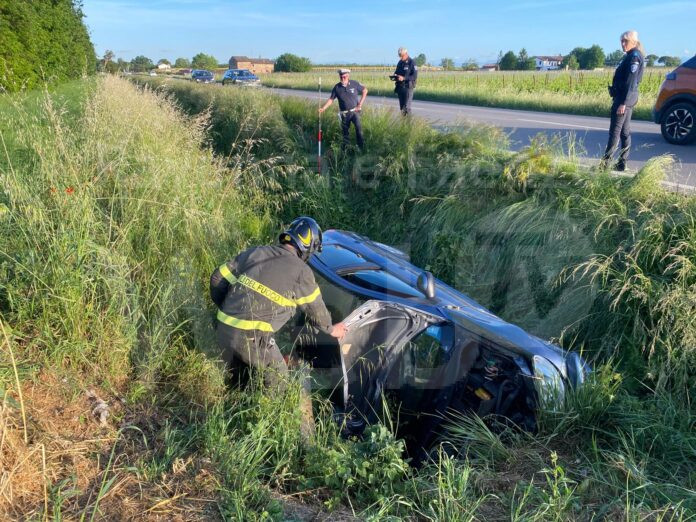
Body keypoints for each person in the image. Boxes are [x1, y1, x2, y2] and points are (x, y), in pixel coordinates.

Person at [210, 216, 347, 392]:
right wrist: (332, 329)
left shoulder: (257, 252)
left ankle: (234, 394)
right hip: (253, 338)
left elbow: (217, 278)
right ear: (309, 248)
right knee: (279, 378)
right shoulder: (302, 271)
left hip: (222, 329)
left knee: (239, 378)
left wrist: (227, 310)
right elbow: (316, 311)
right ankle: (264, 408)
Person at [601, 30, 645, 172]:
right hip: (627, 98)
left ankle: (604, 166)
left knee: (614, 132)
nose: (623, 44)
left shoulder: (634, 57)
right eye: (622, 41)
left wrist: (623, 103)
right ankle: (621, 164)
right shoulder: (631, 55)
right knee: (624, 133)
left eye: (626, 41)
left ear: (634, 42)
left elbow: (631, 82)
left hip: (624, 99)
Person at [319, 69, 368, 151]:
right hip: (344, 114)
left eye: (344, 77)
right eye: (341, 77)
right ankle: (346, 150)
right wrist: (323, 108)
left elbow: (365, 90)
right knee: (345, 132)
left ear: (348, 76)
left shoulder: (354, 83)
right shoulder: (337, 87)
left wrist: (360, 104)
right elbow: (331, 99)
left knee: (359, 130)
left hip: (355, 111)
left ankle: (361, 148)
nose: (342, 78)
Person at [393, 47, 418, 115]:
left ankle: (408, 121)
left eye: (402, 56)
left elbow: (414, 76)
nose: (401, 57)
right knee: (402, 108)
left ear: (406, 54)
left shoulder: (412, 62)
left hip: (408, 87)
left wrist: (404, 78)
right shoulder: (400, 62)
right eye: (399, 56)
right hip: (400, 87)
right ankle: (403, 121)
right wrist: (395, 76)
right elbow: (396, 72)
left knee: (407, 107)